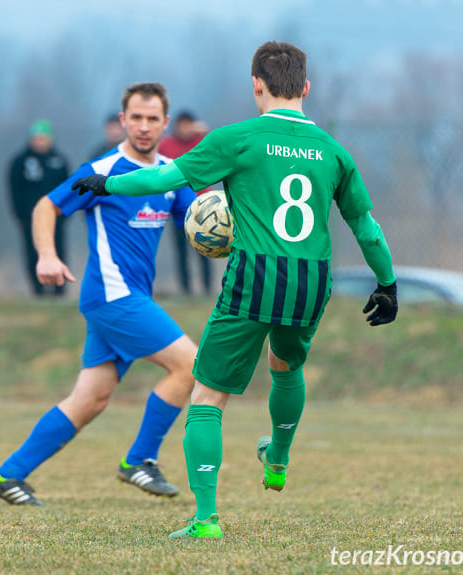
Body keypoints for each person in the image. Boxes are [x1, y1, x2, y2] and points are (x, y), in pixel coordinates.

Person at [73, 41, 398, 539]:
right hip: (311, 280)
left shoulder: (239, 139)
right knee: (287, 365)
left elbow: (165, 175)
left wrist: (108, 186)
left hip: (254, 277)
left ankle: (205, 520)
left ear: (257, 86)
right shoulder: (334, 151)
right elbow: (366, 226)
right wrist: (388, 283)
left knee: (207, 396)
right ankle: (279, 457)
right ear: (305, 89)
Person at [0, 83, 199, 506]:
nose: (143, 126)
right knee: (191, 366)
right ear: (122, 121)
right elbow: (46, 207)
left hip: (127, 298)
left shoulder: (171, 175)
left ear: (165, 124)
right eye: (135, 117)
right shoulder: (101, 172)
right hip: (112, 298)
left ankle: (6, 475)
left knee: (90, 399)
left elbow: (199, 223)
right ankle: (139, 460)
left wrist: (225, 226)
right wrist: (45, 255)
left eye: (152, 118)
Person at [8, 119, 70, 296]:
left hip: (56, 218)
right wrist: (21, 215)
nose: (40, 142)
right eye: (37, 138)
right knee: (33, 253)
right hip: (30, 219)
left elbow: (70, 189)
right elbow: (14, 190)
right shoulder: (20, 162)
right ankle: (38, 291)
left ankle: (59, 291)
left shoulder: (59, 161)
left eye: (44, 138)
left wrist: (64, 214)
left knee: (58, 251)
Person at [158, 110, 213, 295]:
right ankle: (186, 290)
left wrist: (204, 132)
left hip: (203, 206)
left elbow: (218, 149)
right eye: (182, 125)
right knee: (181, 250)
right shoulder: (166, 144)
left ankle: (207, 289)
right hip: (178, 207)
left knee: (206, 249)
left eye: (189, 124)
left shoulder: (200, 141)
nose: (185, 129)